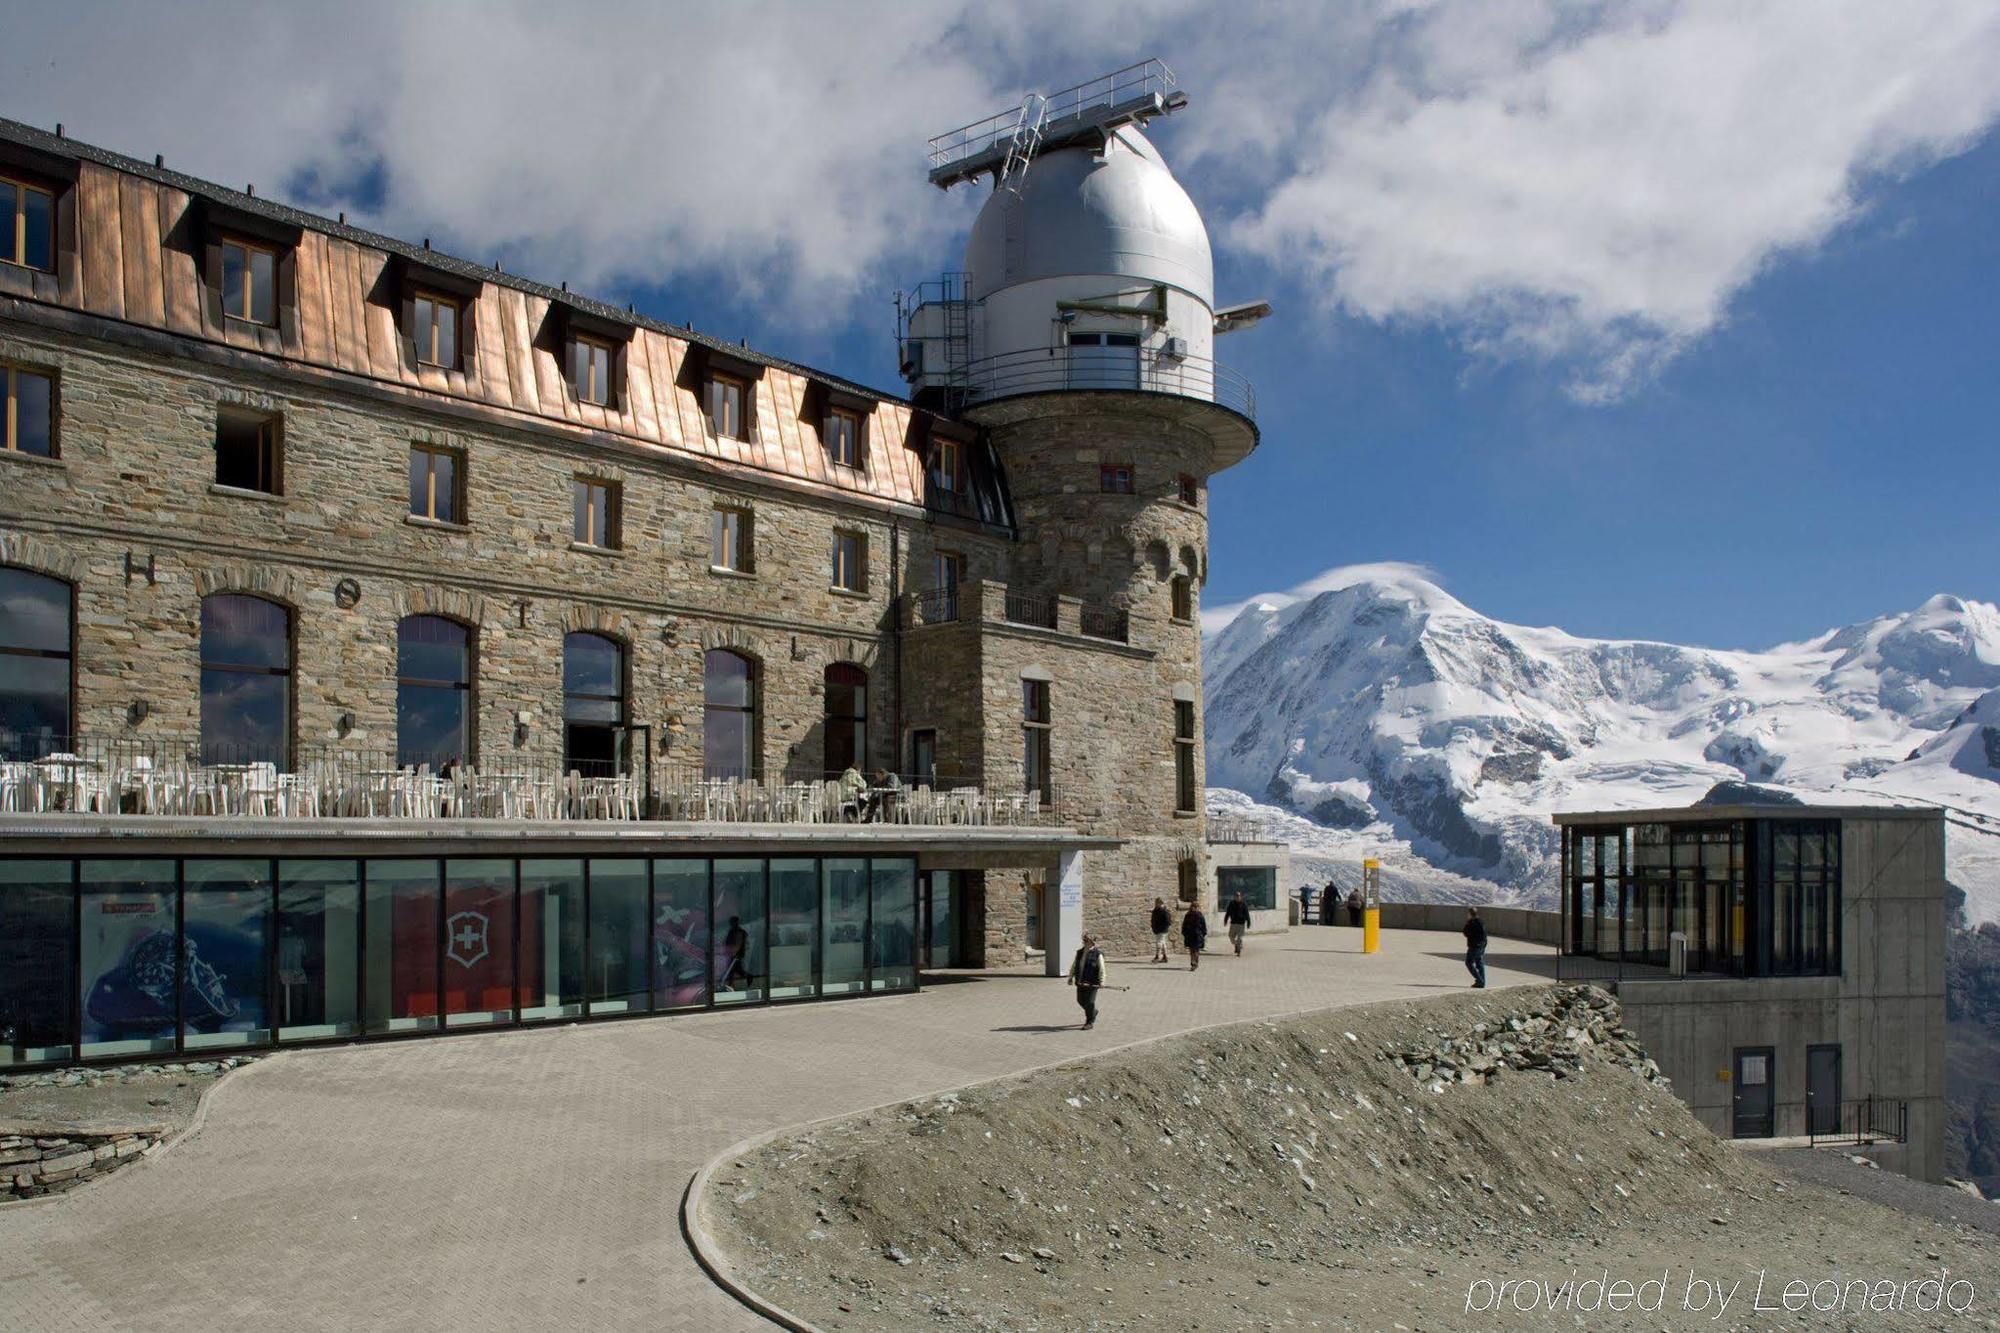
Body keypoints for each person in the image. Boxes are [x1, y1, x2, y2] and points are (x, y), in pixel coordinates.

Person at [1067, 932, 1108, 1030]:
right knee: (1080, 1000)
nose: (1084, 942)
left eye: (1086, 940)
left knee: (1089, 1002)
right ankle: (1093, 1012)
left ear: (1092, 942)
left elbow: (1102, 969)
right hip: (1080, 981)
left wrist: (1102, 982)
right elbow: (1074, 965)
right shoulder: (1080, 952)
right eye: (1084, 940)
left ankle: (1089, 1022)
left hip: (1092, 982)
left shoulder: (1097, 954)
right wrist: (1070, 977)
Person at [722, 915, 753, 990]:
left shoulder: (739, 931)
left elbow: (738, 943)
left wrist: (733, 953)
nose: (731, 923)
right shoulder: (733, 930)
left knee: (732, 971)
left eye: (732, 922)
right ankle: (730, 986)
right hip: (733, 954)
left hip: (736, 955)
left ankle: (730, 987)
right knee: (735, 971)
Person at [1463, 907, 1488, 988]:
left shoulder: (1471, 923)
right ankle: (1482, 982)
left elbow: (1466, 933)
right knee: (1479, 962)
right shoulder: (1480, 921)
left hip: (1474, 946)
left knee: (1469, 962)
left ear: (1470, 914)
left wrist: (1467, 923)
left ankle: (1479, 980)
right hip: (1482, 945)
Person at [1222, 891, 1252, 956]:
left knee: (1240, 938)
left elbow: (1247, 914)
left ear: (1241, 897)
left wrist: (1248, 922)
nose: (1237, 897)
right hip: (1233, 923)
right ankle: (1236, 945)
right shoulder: (1231, 904)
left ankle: (1238, 950)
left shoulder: (1243, 904)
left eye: (1239, 896)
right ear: (1234, 897)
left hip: (1241, 924)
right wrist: (1225, 920)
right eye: (1236, 896)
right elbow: (1228, 913)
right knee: (1231, 936)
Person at [1180, 902, 1208, 971]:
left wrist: (1203, 934)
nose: (1195, 908)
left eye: (1196, 907)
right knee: (1192, 950)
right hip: (1190, 935)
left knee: (1196, 950)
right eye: (1193, 907)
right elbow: (1184, 924)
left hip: (1197, 935)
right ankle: (1193, 963)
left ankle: (1195, 963)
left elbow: (1203, 926)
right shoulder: (1188, 915)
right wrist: (1184, 932)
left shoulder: (1200, 916)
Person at [1149, 897, 1172, 963]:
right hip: (1158, 928)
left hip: (1162, 928)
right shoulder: (1157, 909)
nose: (1155, 904)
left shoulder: (1163, 910)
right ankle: (1165, 956)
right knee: (1162, 942)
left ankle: (1157, 956)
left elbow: (1168, 921)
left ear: (1160, 903)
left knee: (1159, 942)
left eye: (1156, 903)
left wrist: (1164, 927)